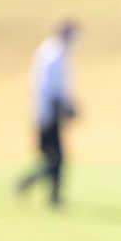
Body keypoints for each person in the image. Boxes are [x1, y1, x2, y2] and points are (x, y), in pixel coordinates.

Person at [15, 20, 80, 207]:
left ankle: (47, 193)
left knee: (55, 159)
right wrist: (61, 107)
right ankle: (37, 189)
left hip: (50, 113)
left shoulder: (56, 53)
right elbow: (49, 88)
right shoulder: (53, 55)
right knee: (55, 159)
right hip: (47, 114)